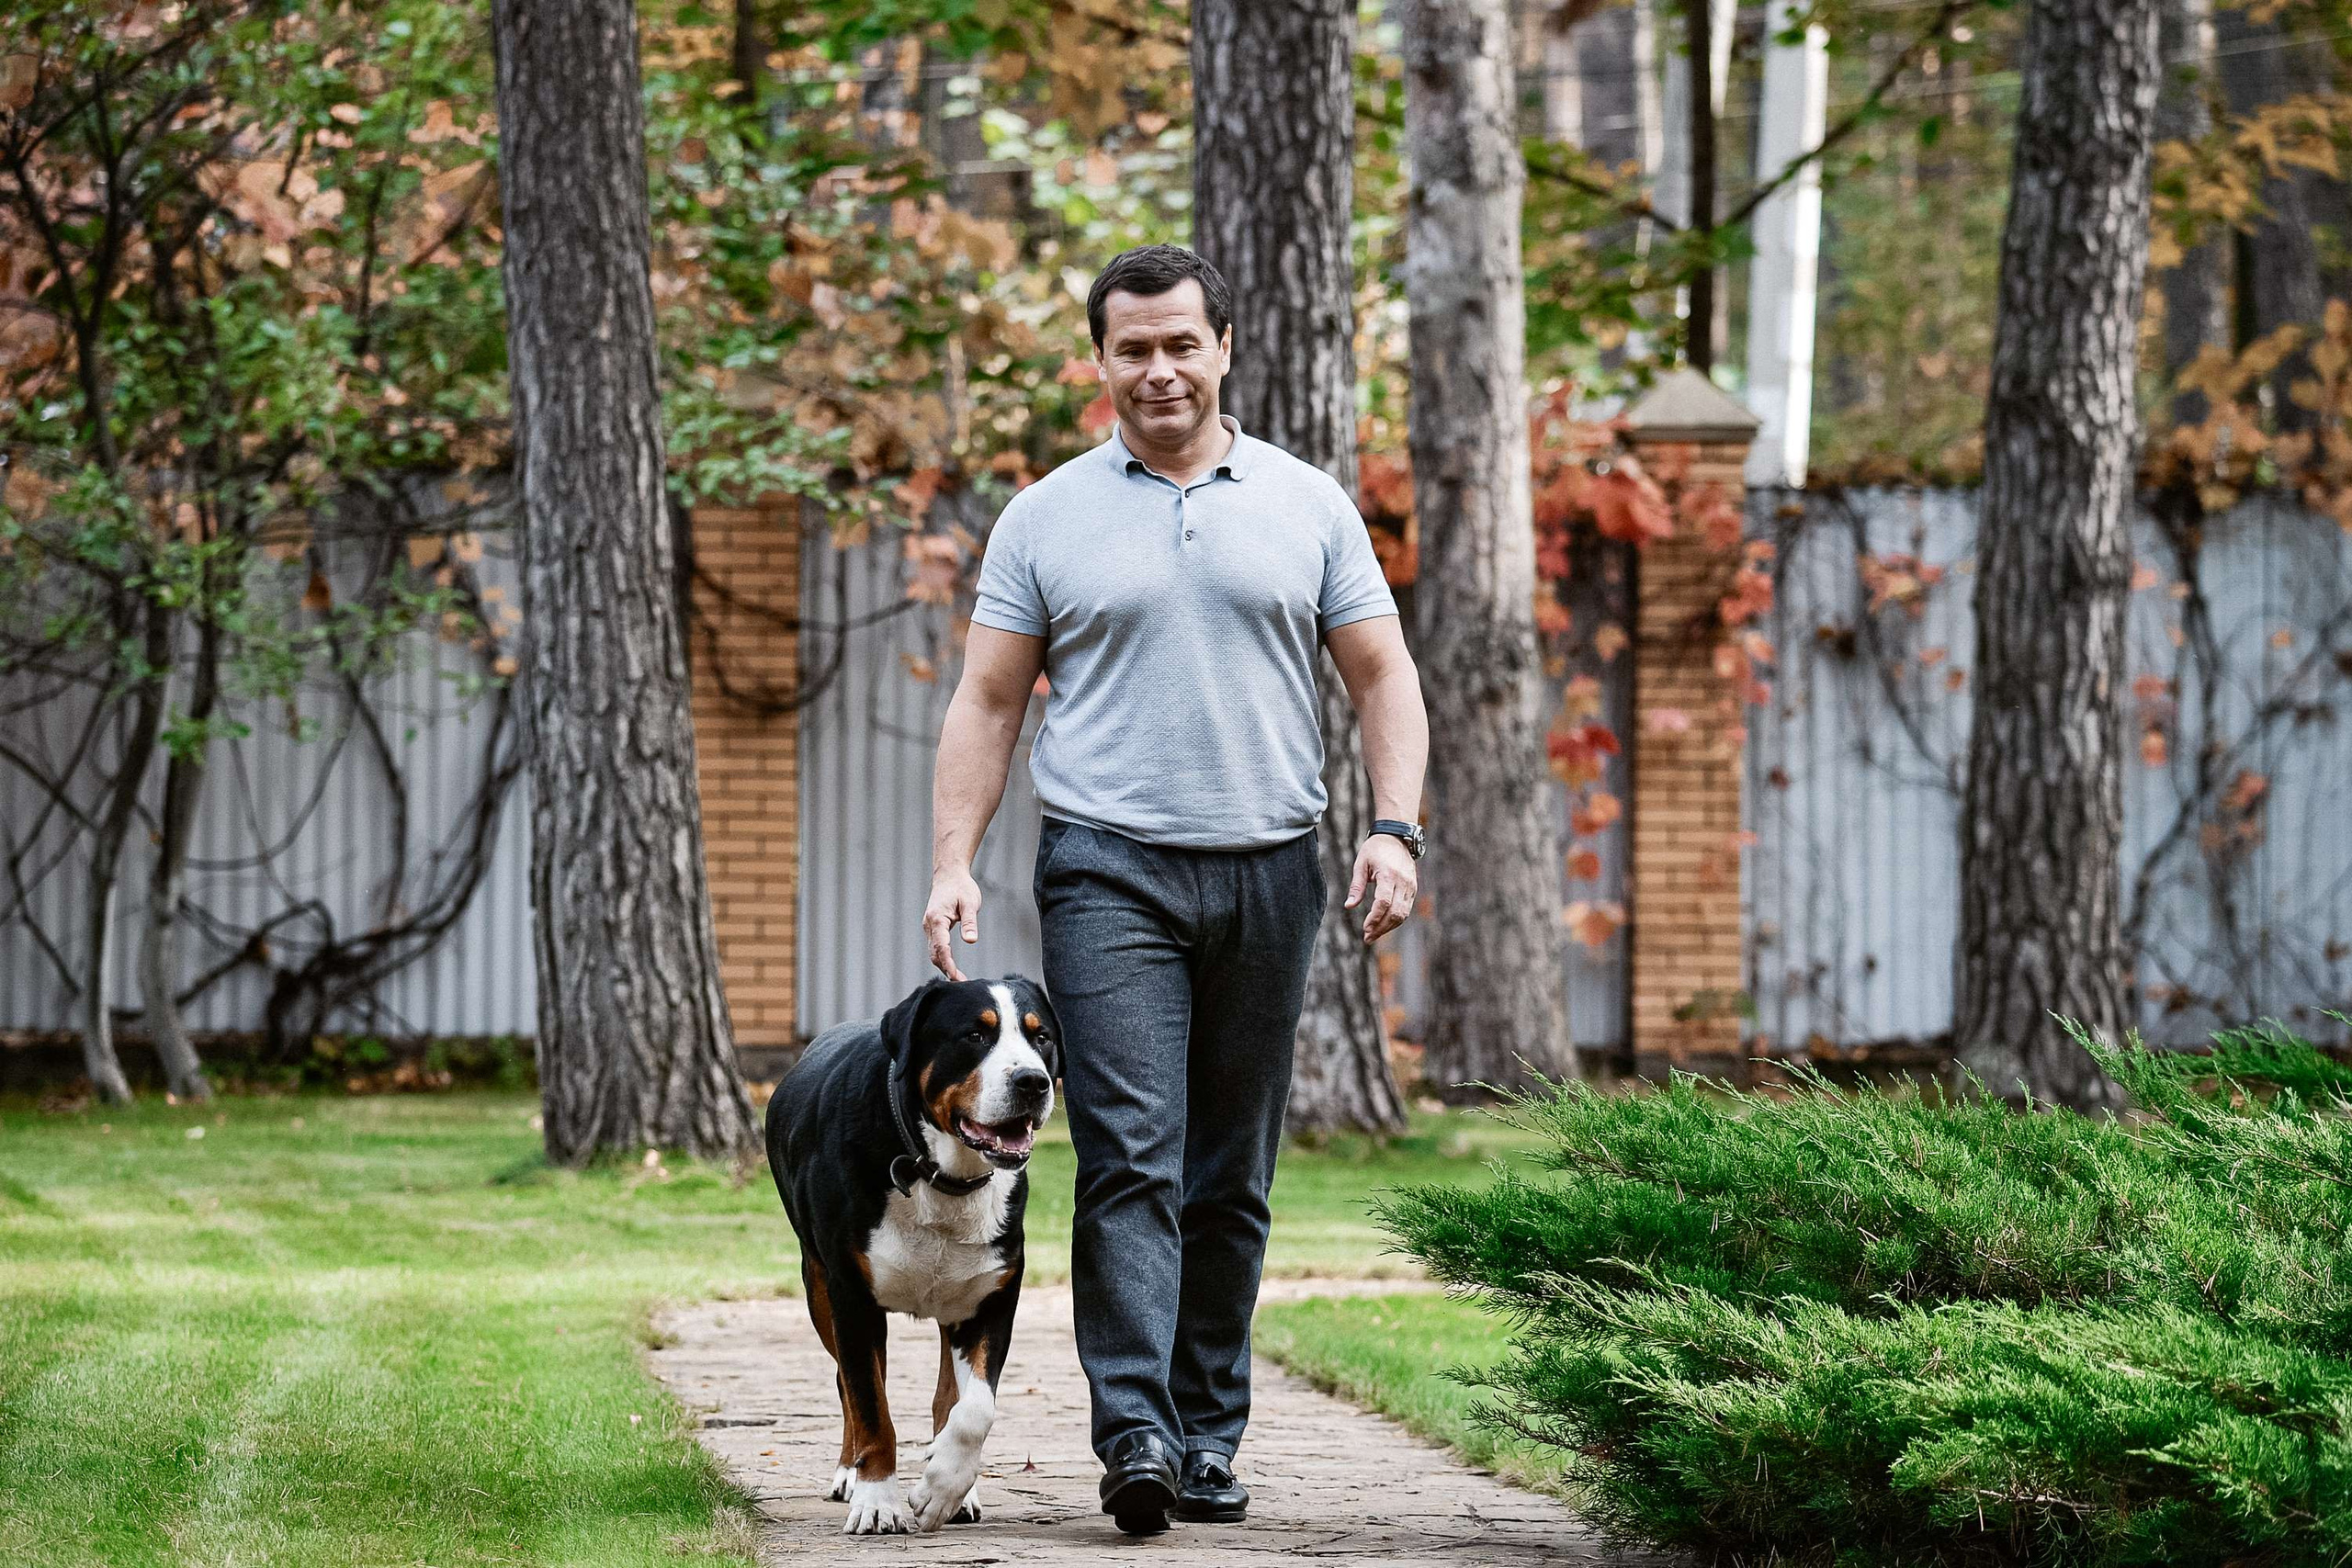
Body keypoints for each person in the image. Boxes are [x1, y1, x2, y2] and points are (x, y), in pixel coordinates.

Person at [922, 243, 1429, 1536]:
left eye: (1178, 344)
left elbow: (1382, 674)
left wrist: (1394, 829)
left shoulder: (1310, 505)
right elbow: (988, 699)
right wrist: (950, 859)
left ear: (1221, 350)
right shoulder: (1045, 515)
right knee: (1132, 1153)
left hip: (1271, 866)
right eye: (1131, 348)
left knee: (1232, 1172)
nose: (1157, 369)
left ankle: (1210, 1434)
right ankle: (1136, 1430)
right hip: (1107, 864)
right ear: (1100, 360)